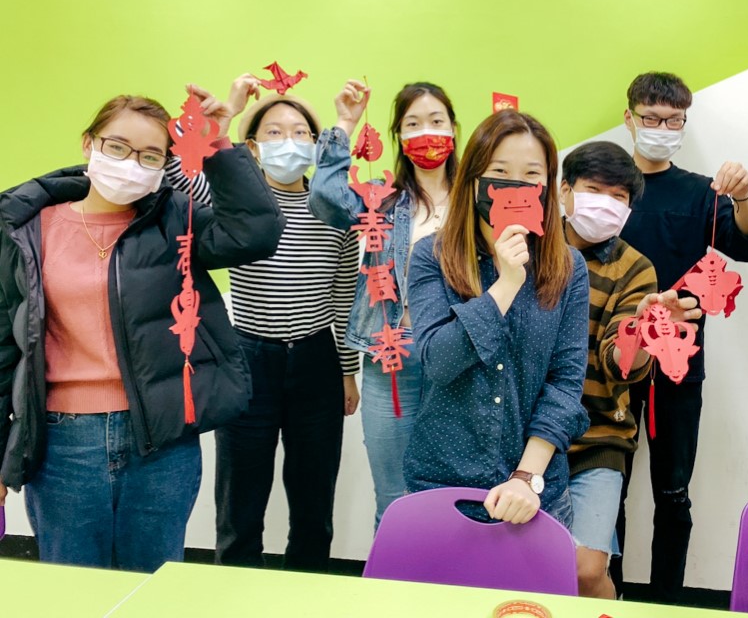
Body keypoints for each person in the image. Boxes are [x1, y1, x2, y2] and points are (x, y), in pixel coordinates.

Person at [0, 88, 284, 572]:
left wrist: (214, 144)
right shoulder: (28, 230)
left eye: (150, 155)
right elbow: (6, 350)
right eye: (117, 147)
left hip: (160, 442)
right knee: (73, 590)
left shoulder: (174, 220)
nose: (131, 163)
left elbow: (254, 231)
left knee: (152, 587)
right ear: (88, 143)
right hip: (63, 445)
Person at [613, 71, 748, 603]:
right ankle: (603, 595)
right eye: (651, 118)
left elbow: (747, 247)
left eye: (673, 120)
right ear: (629, 117)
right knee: (605, 488)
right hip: (610, 358)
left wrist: (743, 199)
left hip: (679, 364)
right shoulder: (606, 188)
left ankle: (666, 603)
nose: (661, 128)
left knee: (673, 493)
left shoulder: (703, 192)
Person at [195, 78, 361, 572]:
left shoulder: (336, 208)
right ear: (251, 146)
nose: (288, 142)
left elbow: (343, 295)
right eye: (273, 132)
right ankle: (235, 592)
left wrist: (347, 370)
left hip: (316, 361)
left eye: (300, 132)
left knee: (314, 500)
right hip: (247, 359)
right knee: (239, 499)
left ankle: (306, 589)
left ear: (316, 144)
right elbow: (190, 183)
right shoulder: (236, 206)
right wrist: (221, 124)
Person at [403, 109, 589, 527]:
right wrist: (505, 284)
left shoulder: (569, 267)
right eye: (500, 172)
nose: (515, 187)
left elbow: (565, 381)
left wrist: (526, 477)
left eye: (530, 176)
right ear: (473, 182)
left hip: (534, 492)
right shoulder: (431, 257)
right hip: (442, 484)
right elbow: (439, 361)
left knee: (529, 597)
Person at [308, 79, 458, 526]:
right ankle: (392, 595)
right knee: (393, 498)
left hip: (454, 358)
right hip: (387, 357)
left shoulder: (476, 199)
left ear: (453, 129)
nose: (426, 132)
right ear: (398, 135)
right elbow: (324, 199)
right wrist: (344, 125)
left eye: (436, 121)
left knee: (448, 491)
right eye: (413, 123)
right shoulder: (382, 198)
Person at [559, 141, 702, 598]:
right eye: (594, 190)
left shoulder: (635, 268)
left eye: (619, 197)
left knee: (584, 569)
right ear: (565, 192)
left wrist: (639, 334)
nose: (606, 203)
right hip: (517, 431)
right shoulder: (529, 248)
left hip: (597, 435)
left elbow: (621, 368)